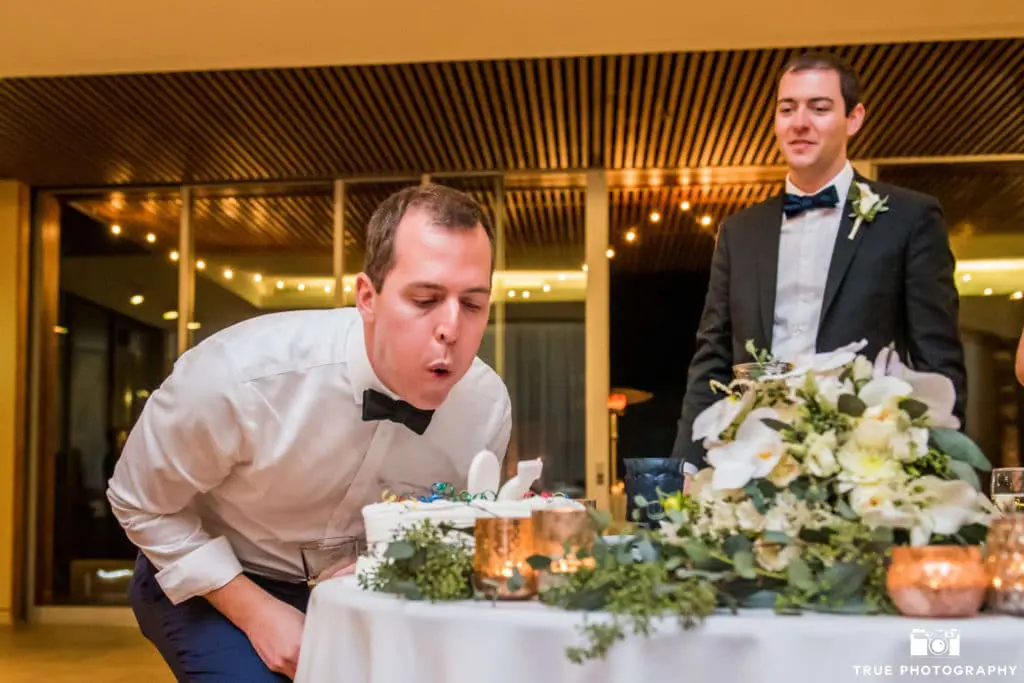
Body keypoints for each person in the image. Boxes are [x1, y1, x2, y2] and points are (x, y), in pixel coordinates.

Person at [107, 184, 512, 681]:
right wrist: (256, 612)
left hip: (364, 587)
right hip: (212, 575)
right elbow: (139, 502)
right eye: (425, 299)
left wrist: (395, 561)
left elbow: (454, 523)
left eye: (472, 304)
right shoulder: (239, 376)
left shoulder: (486, 407)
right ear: (368, 297)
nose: (451, 328)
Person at [671, 52, 967, 486]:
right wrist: (685, 467)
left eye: (820, 108)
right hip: (754, 469)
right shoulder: (740, 232)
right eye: (787, 108)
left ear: (854, 118)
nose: (800, 122)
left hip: (865, 470)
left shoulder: (909, 219)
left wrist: (940, 470)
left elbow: (937, 363)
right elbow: (712, 358)